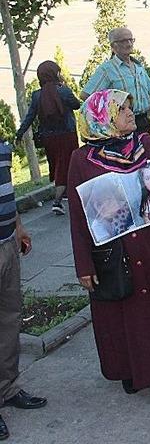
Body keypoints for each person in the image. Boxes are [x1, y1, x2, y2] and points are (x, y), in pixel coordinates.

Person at [68, 89, 150, 408]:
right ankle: (131, 370)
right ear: (101, 118)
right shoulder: (81, 160)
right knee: (124, 314)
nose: (131, 113)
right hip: (114, 253)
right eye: (121, 109)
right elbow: (79, 216)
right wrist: (84, 265)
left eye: (130, 108)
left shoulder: (145, 143)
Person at [0, 141, 45, 443]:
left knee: (9, 320)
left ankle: (6, 388)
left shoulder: (1, 146)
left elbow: (7, 188)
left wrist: (19, 227)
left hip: (7, 243)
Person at [14, 60, 80, 215]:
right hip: (67, 135)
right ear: (54, 73)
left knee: (58, 166)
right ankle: (57, 201)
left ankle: (67, 195)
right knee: (67, 167)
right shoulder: (62, 91)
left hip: (49, 138)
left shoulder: (37, 95)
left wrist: (19, 134)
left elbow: (29, 117)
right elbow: (76, 105)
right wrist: (66, 88)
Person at [81, 27, 150, 135]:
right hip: (123, 126)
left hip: (144, 122)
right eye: (124, 41)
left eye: (131, 40)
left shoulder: (138, 67)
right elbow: (86, 95)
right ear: (113, 46)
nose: (129, 43)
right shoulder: (107, 69)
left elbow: (149, 94)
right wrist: (110, 114)